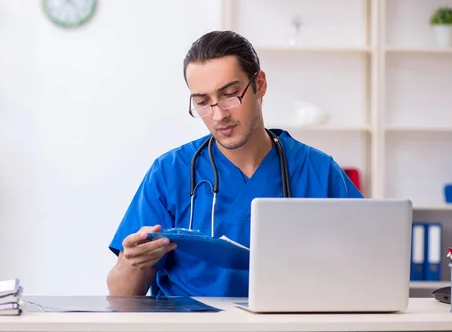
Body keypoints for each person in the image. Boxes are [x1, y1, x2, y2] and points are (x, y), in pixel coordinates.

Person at [106, 30, 363, 298]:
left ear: (259, 85)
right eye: (203, 102)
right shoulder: (170, 173)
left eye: (230, 94)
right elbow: (121, 295)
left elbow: (366, 267)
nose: (219, 115)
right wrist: (132, 262)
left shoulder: (318, 172)